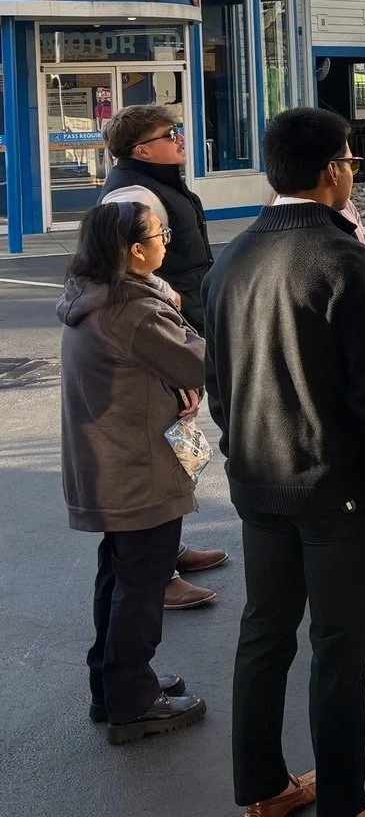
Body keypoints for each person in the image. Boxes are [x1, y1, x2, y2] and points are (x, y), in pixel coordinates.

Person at [204, 107, 365, 817]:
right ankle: (345, 809)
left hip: (257, 479)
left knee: (264, 633)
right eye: (351, 161)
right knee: (339, 647)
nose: (353, 172)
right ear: (332, 169)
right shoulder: (347, 260)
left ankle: (264, 788)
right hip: (337, 488)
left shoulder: (231, 258)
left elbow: (217, 384)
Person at [58, 199, 208, 744]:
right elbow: (197, 361)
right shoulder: (136, 309)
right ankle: (132, 699)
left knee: (118, 577)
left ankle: (112, 686)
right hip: (136, 466)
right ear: (135, 251)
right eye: (160, 233)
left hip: (109, 461)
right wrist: (175, 307)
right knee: (141, 587)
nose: (167, 241)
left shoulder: (92, 294)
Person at [100, 105, 226, 607]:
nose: (180, 139)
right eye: (169, 134)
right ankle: (158, 575)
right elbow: (124, 267)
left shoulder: (157, 182)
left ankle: (169, 552)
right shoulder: (133, 193)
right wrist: (170, 306)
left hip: (177, 324)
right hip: (157, 335)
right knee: (163, 448)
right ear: (141, 150)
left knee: (179, 444)